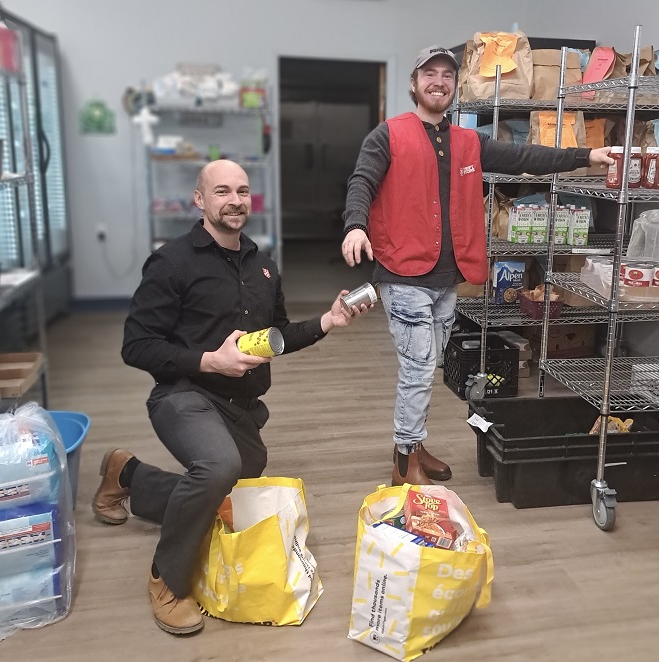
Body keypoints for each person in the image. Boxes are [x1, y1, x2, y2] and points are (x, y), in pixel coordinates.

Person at [92, 159, 369, 636]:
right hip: (183, 393)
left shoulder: (263, 266)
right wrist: (209, 361)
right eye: (221, 191)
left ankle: (127, 472)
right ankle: (166, 579)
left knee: (232, 486)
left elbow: (277, 335)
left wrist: (328, 321)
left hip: (238, 407)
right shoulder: (172, 262)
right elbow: (135, 346)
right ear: (200, 200)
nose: (235, 200)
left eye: (242, 191)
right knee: (218, 468)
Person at [341, 45, 614, 487]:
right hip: (403, 275)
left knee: (426, 369)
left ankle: (411, 444)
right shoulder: (387, 135)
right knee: (417, 368)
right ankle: (404, 466)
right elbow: (362, 181)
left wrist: (584, 158)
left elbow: (527, 159)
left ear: (455, 87)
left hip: (446, 280)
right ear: (414, 84)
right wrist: (356, 225)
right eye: (429, 73)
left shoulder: (468, 142)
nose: (438, 81)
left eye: (447, 75)